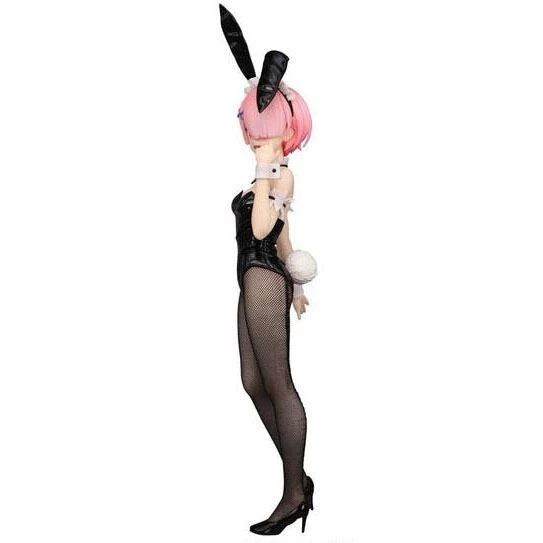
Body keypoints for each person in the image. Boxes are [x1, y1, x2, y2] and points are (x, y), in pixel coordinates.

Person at [220, 5, 317, 536]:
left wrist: (263, 168)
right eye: (253, 131)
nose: (257, 139)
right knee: (251, 380)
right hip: (252, 277)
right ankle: (298, 478)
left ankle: (293, 494)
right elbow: (281, 235)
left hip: (263, 279)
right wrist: (299, 284)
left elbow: (261, 226)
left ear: (286, 131)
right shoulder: (267, 175)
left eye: (267, 132)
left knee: (278, 383)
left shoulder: (277, 176)